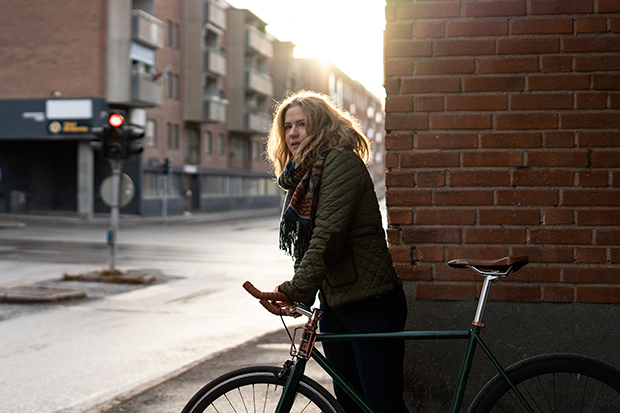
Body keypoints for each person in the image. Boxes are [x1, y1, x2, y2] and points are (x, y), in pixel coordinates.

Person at [265, 90, 409, 413]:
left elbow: (328, 238)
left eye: (302, 124)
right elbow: (311, 246)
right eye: (287, 127)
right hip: (336, 305)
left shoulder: (340, 163)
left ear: (320, 126)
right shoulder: (304, 176)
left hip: (372, 304)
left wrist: (294, 290)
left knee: (384, 404)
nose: (293, 133)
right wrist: (301, 297)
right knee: (350, 406)